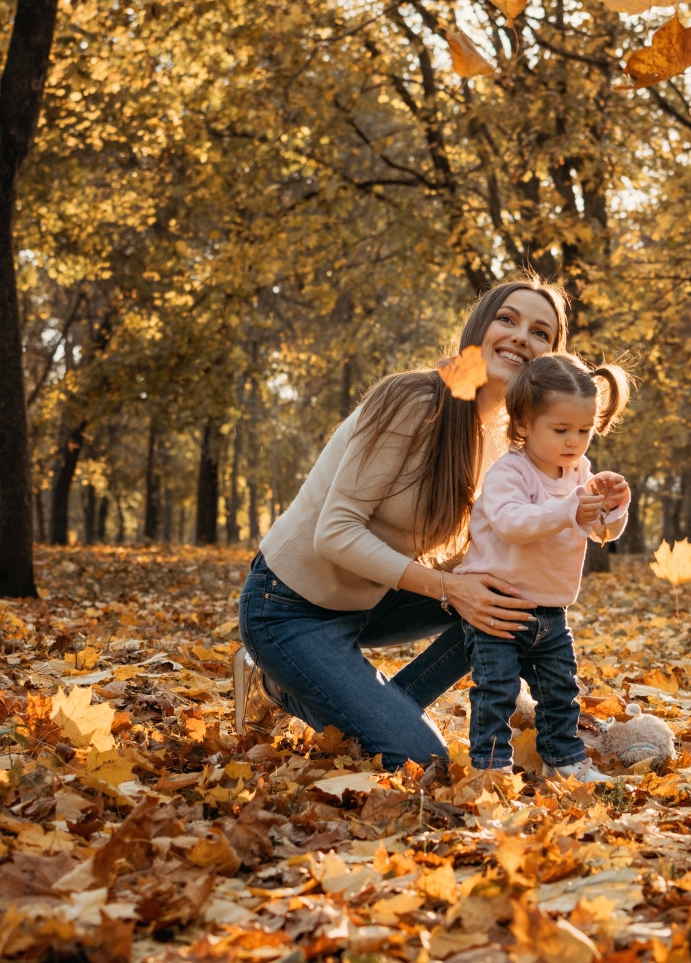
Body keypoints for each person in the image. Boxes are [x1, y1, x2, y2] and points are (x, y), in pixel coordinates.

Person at [233, 278, 571, 769]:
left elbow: (483, 554)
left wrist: (586, 512)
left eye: (541, 332)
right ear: (480, 327)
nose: (522, 336)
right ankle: (281, 688)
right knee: (421, 760)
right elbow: (336, 533)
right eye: (507, 319)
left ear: (550, 359)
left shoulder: (508, 444)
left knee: (514, 596)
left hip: (370, 601)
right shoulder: (415, 400)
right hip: (287, 606)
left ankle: (377, 710)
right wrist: (448, 588)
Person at [456, 353, 633, 783]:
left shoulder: (579, 472)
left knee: (561, 693)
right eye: (561, 430)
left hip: (551, 611)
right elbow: (512, 523)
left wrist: (613, 507)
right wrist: (571, 507)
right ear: (524, 425)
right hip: (498, 606)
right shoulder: (510, 472)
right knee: (495, 692)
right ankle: (491, 768)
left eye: (584, 431)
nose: (574, 442)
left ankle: (564, 761)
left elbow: (598, 532)